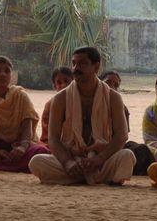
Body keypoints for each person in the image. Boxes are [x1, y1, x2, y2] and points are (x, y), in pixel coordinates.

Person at [29, 47, 135, 185]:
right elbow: (53, 138)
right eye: (74, 63)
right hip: (72, 157)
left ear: (96, 67)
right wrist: (68, 162)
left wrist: (99, 158)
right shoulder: (60, 98)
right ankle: (90, 177)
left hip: (100, 158)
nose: (75, 68)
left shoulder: (113, 97)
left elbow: (122, 135)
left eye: (82, 63)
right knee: (36, 162)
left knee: (127, 156)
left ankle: (77, 178)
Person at [0, 56, 49, 172]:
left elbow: (27, 127)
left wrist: (22, 148)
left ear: (11, 76)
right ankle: (11, 164)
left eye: (7, 71)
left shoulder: (20, 95)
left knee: (41, 152)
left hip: (17, 145)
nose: (2, 74)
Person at [39, 66, 72, 144]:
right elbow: (48, 136)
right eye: (59, 83)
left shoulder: (81, 102)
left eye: (67, 81)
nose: (64, 85)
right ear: (55, 87)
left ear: (74, 82)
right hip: (54, 145)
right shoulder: (50, 105)